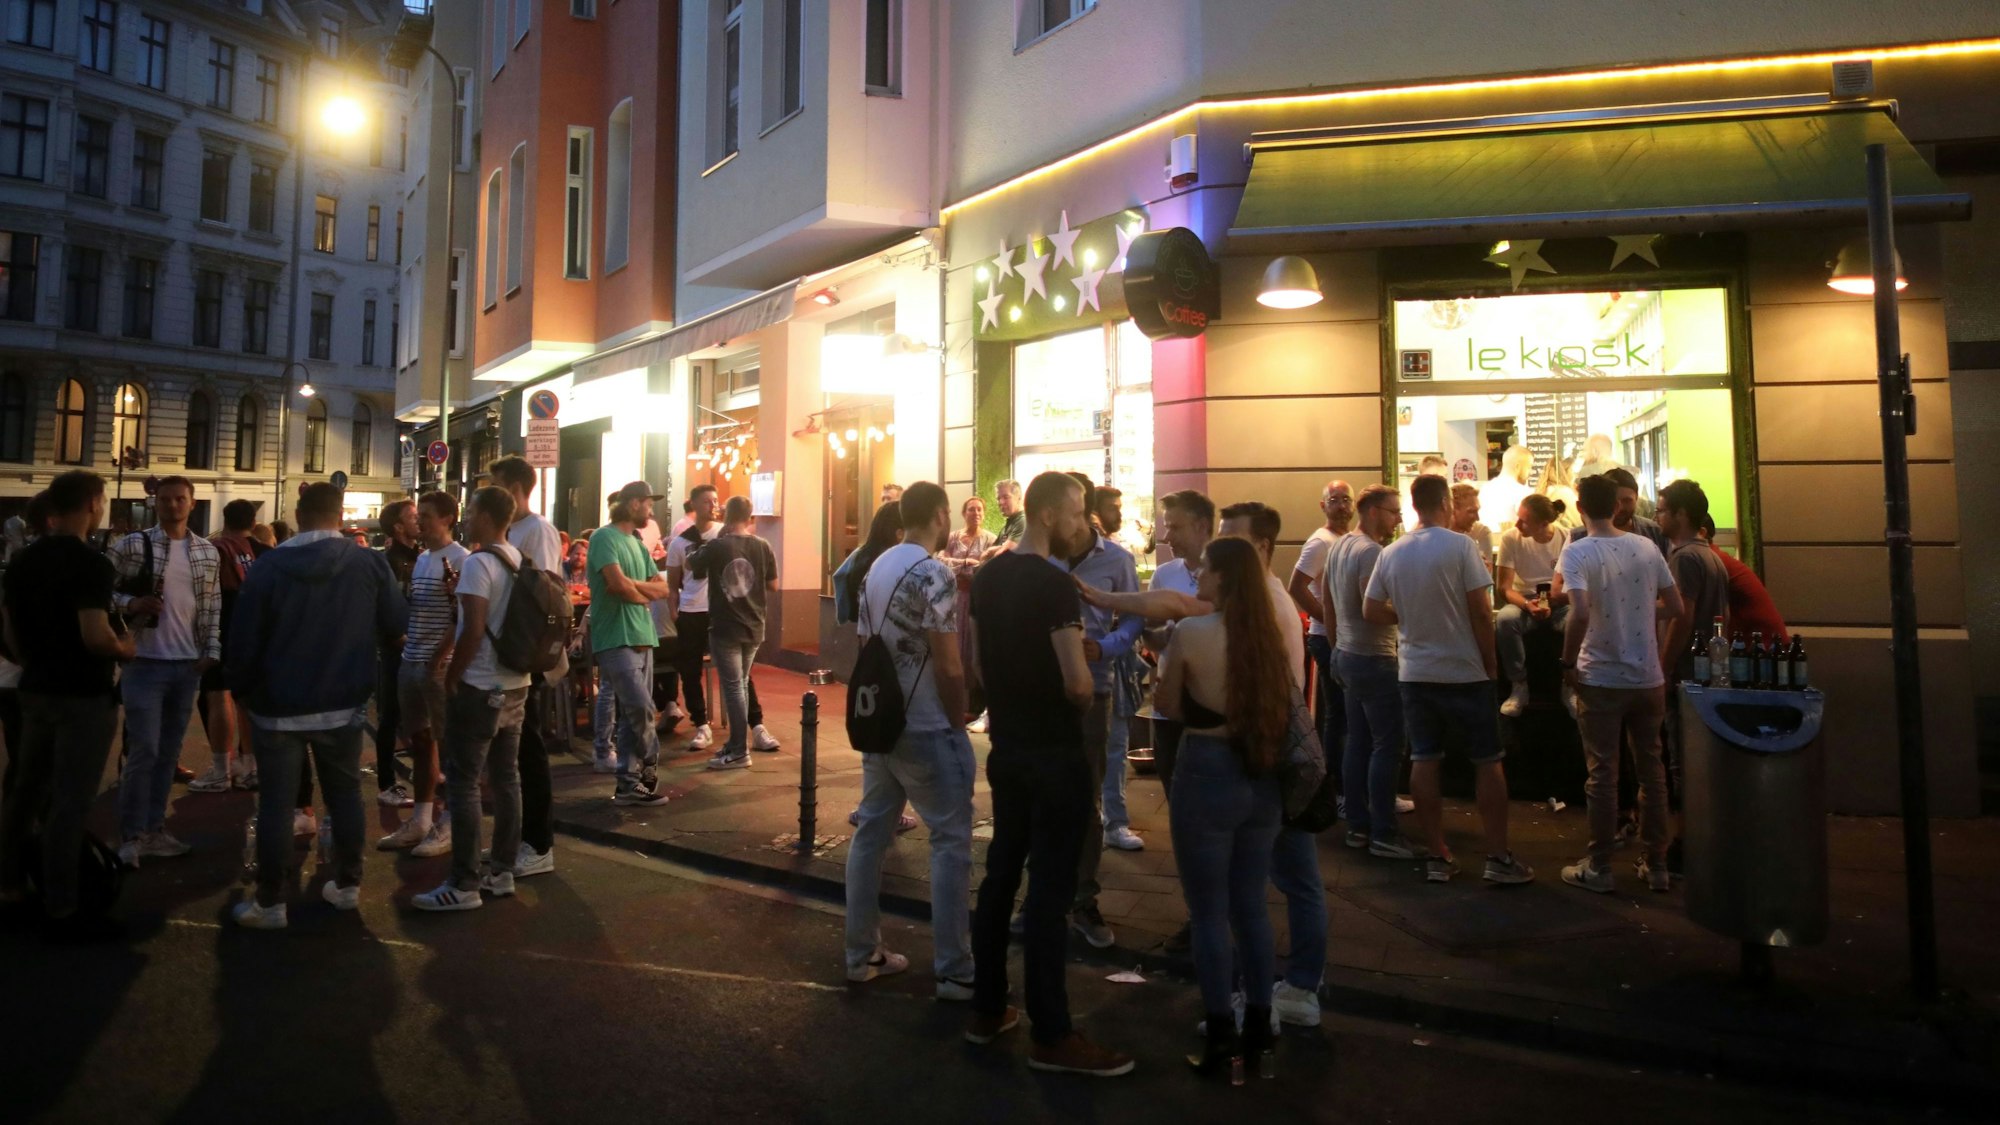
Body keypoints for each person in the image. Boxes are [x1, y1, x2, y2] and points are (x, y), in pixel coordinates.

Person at [964, 472, 1131, 1076]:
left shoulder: (988, 577)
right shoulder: (1055, 585)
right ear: (1048, 515)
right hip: (1056, 753)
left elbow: (977, 665)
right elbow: (1078, 684)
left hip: (1007, 747)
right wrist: (1074, 702)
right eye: (1078, 512)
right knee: (1051, 890)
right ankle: (1052, 1033)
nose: (1084, 523)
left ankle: (988, 1009)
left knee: (1001, 874)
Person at [226, 483, 407, 929]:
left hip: (277, 704)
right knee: (344, 795)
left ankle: (270, 902)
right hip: (343, 701)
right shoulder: (367, 562)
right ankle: (347, 885)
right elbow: (396, 622)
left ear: (299, 514)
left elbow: (243, 638)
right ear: (340, 514)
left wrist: (242, 690)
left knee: (277, 804)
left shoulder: (268, 566)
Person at [1156, 535, 1289, 1077]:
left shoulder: (1192, 633)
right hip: (1262, 772)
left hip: (1206, 769)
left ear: (1225, 577)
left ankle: (1219, 1032)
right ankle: (1260, 1021)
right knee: (1251, 904)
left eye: (1207, 568)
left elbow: (1166, 705)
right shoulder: (1270, 635)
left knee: (1208, 911)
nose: (1199, 576)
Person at [1363, 474, 1534, 885]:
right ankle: (1498, 856)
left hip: (1415, 672)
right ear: (1445, 504)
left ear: (1414, 505)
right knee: (1487, 761)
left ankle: (1438, 854)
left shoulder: (1392, 552)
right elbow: (1481, 610)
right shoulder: (1461, 547)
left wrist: (1407, 616)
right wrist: (1491, 665)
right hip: (1465, 671)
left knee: (1424, 759)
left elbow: (1370, 609)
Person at [844, 482, 977, 998]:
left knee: (871, 833)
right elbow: (948, 663)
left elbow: (864, 646)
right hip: (925, 724)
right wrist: (957, 720)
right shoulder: (934, 572)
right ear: (941, 515)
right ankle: (955, 970)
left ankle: (861, 954)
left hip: (881, 722)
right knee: (950, 841)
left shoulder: (875, 566)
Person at [0, 472, 135, 941]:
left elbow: (9, 629)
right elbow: (94, 635)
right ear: (94, 503)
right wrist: (124, 648)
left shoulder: (22, 560)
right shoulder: (90, 564)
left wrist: (32, 662)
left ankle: (10, 886)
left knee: (25, 792)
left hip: (35, 689)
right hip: (83, 695)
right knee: (70, 802)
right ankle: (63, 906)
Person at [1558, 474, 1685, 895]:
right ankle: (1658, 864)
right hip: (1647, 677)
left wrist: (1567, 662)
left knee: (1603, 774)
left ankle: (1599, 866)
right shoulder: (1646, 547)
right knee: (1652, 771)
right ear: (1616, 506)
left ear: (1580, 508)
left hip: (1600, 676)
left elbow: (1578, 613)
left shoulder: (1577, 552)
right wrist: (1640, 611)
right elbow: (1675, 607)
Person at [412, 487, 537, 913]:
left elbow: (472, 628)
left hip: (481, 684)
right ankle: (501, 871)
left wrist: (454, 676)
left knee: (463, 782)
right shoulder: (520, 560)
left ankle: (463, 883)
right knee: (506, 778)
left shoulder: (479, 563)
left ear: (485, 516)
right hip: (516, 683)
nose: (466, 519)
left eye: (471, 512)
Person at [107, 476, 222, 865]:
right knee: (145, 750)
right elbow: (99, 591)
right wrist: (131, 603)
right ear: (155, 503)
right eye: (166, 499)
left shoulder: (206, 551)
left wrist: (211, 650)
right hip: (144, 661)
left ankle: (154, 829)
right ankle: (132, 835)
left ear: (192, 503)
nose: (173, 505)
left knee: (168, 753)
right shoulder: (131, 545)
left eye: (180, 499)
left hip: (186, 664)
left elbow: (212, 605)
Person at [1057, 474, 1142, 949]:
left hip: (1094, 688)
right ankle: (1042, 893)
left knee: (1086, 797)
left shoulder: (1117, 560)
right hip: (1042, 690)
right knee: (1042, 794)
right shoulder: (1039, 557)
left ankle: (1083, 897)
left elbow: (1133, 617)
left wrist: (1106, 646)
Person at [1321, 485, 1420, 859]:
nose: (1399, 519)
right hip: (1374, 659)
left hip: (1348, 655)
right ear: (1375, 511)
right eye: (1395, 512)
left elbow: (1328, 603)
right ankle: (1383, 833)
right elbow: (1372, 608)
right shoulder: (1370, 552)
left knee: (1358, 742)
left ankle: (1358, 827)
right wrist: (1411, 614)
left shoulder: (1340, 546)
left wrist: (1336, 647)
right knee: (1387, 745)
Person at [376, 491, 467, 855]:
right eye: (418, 516)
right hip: (412, 659)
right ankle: (422, 818)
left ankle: (452, 822)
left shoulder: (461, 559)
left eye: (426, 515)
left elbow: (463, 615)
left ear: (447, 519)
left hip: (437, 666)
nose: (420, 521)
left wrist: (440, 658)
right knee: (420, 741)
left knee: (448, 745)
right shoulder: (423, 560)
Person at [490, 457, 567, 879]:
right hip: (509, 654)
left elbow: (544, 594)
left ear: (517, 488)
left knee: (529, 749)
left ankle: (539, 844)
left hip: (526, 655)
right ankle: (516, 838)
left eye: (498, 485)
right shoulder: (512, 530)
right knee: (511, 753)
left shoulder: (537, 530)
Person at [590, 482, 673, 805]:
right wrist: (639, 592)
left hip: (643, 636)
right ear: (633, 504)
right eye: (648, 504)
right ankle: (649, 768)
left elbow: (662, 590)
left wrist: (633, 586)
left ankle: (627, 784)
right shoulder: (603, 538)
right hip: (615, 636)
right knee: (641, 708)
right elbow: (616, 585)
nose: (651, 510)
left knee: (631, 714)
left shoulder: (637, 545)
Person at [688, 496, 780, 771]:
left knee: (733, 686)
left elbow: (692, 564)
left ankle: (739, 749)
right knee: (740, 683)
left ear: (727, 515)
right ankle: (735, 744)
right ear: (750, 517)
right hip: (755, 624)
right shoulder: (763, 545)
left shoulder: (718, 545)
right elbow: (773, 585)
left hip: (725, 625)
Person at [192, 498, 265, 793]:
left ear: (225, 520)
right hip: (256, 633)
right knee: (247, 700)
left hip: (220, 627)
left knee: (216, 694)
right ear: (254, 523)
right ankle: (251, 767)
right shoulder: (266, 553)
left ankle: (221, 769)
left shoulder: (215, 549)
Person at [1287, 480, 1353, 797]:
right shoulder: (1320, 543)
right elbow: (1297, 586)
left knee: (1347, 715)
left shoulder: (1346, 539)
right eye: (1334, 499)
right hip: (1327, 639)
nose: (1341, 505)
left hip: (1343, 638)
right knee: (1338, 715)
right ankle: (1336, 789)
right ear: (1323, 505)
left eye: (1345, 499)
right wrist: (1328, 619)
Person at [1494, 495, 1571, 717]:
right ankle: (1518, 684)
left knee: (1578, 620)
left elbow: (1574, 583)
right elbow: (1504, 588)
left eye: (1524, 521)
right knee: (1505, 619)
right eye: (1518, 518)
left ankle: (1570, 684)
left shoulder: (1566, 537)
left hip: (1558, 601)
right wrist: (1528, 605)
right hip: (1524, 600)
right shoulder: (1511, 538)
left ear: (1543, 523)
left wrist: (1555, 600)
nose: (1517, 524)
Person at [373, 499, 421, 808]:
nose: (419, 521)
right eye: (413, 516)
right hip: (396, 650)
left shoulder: (424, 557)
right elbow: (382, 607)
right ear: (398, 527)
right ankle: (387, 782)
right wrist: (396, 638)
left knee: (418, 717)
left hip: (420, 647)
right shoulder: (388, 562)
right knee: (390, 715)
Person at [941, 495, 995, 728]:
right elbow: (941, 561)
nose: (976, 513)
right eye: (971, 509)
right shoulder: (953, 537)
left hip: (976, 599)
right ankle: (955, 703)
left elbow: (986, 568)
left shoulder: (990, 539)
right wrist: (965, 564)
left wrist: (966, 568)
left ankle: (974, 706)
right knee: (954, 645)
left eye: (980, 510)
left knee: (973, 648)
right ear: (964, 513)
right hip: (955, 599)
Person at [1698, 514, 1786, 641]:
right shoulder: (1716, 558)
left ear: (1702, 533)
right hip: (1760, 641)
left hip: (1760, 645)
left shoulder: (1708, 561)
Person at [1562, 467, 1666, 555]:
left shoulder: (1655, 532)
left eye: (1627, 501)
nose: (1620, 507)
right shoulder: (1577, 536)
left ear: (1637, 498)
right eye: (1614, 501)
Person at [833, 501, 903, 627]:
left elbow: (839, 577)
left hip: (855, 628)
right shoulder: (895, 560)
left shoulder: (859, 554)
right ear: (899, 533)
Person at [1479, 445, 1535, 533]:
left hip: (1487, 539)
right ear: (1518, 467)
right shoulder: (1524, 493)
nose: (1530, 472)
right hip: (1511, 540)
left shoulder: (1484, 489)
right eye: (1529, 467)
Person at [1449, 482, 1495, 579]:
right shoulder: (1437, 535)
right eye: (1471, 512)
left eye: (1477, 511)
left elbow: (1486, 577)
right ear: (1452, 510)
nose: (1477, 518)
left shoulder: (1481, 532)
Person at [981, 479, 1025, 560]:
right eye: (998, 499)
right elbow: (986, 555)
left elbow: (1006, 553)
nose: (1001, 502)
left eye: (1006, 497)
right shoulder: (1008, 526)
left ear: (1019, 498)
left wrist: (995, 550)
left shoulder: (1023, 521)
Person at [1538, 453, 1582, 531]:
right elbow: (1580, 521)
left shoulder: (1546, 490)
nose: (1576, 476)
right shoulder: (1564, 492)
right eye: (1574, 472)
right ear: (1565, 472)